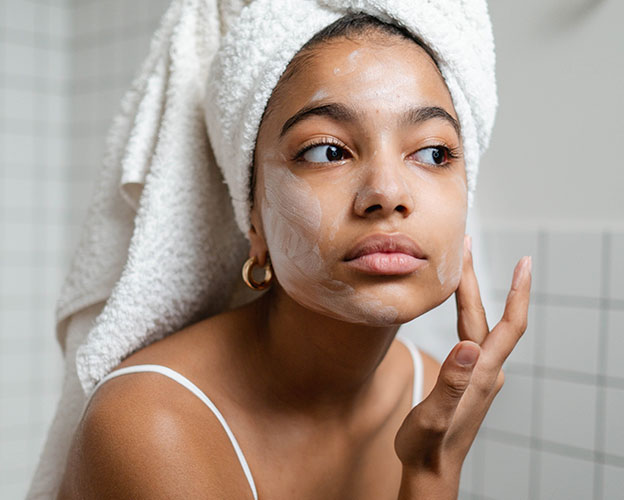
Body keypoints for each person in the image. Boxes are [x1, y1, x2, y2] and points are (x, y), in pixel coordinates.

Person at [56, 11, 531, 500]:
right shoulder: (150, 424)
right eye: (328, 151)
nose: (387, 194)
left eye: (433, 153)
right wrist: (433, 469)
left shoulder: (434, 393)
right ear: (254, 219)